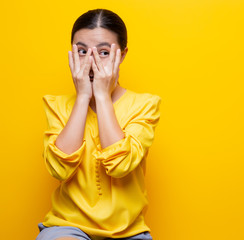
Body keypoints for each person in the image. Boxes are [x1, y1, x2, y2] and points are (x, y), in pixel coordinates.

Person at [36, 8, 161, 240]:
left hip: (128, 231)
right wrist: (83, 97)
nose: (91, 61)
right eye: (82, 51)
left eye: (103, 52)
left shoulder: (145, 105)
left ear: (122, 55)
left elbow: (121, 165)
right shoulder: (56, 105)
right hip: (68, 226)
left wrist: (102, 96)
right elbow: (59, 169)